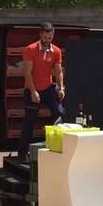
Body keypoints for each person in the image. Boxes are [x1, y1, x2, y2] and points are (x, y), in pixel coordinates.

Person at [17, 22, 65, 162]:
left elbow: (58, 71)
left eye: (50, 37)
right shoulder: (31, 49)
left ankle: (56, 148)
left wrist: (61, 87)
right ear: (40, 35)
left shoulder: (55, 51)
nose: (47, 40)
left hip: (48, 87)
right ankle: (22, 153)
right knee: (30, 120)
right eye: (45, 37)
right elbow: (27, 72)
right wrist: (33, 91)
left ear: (53, 36)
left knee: (60, 115)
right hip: (32, 88)